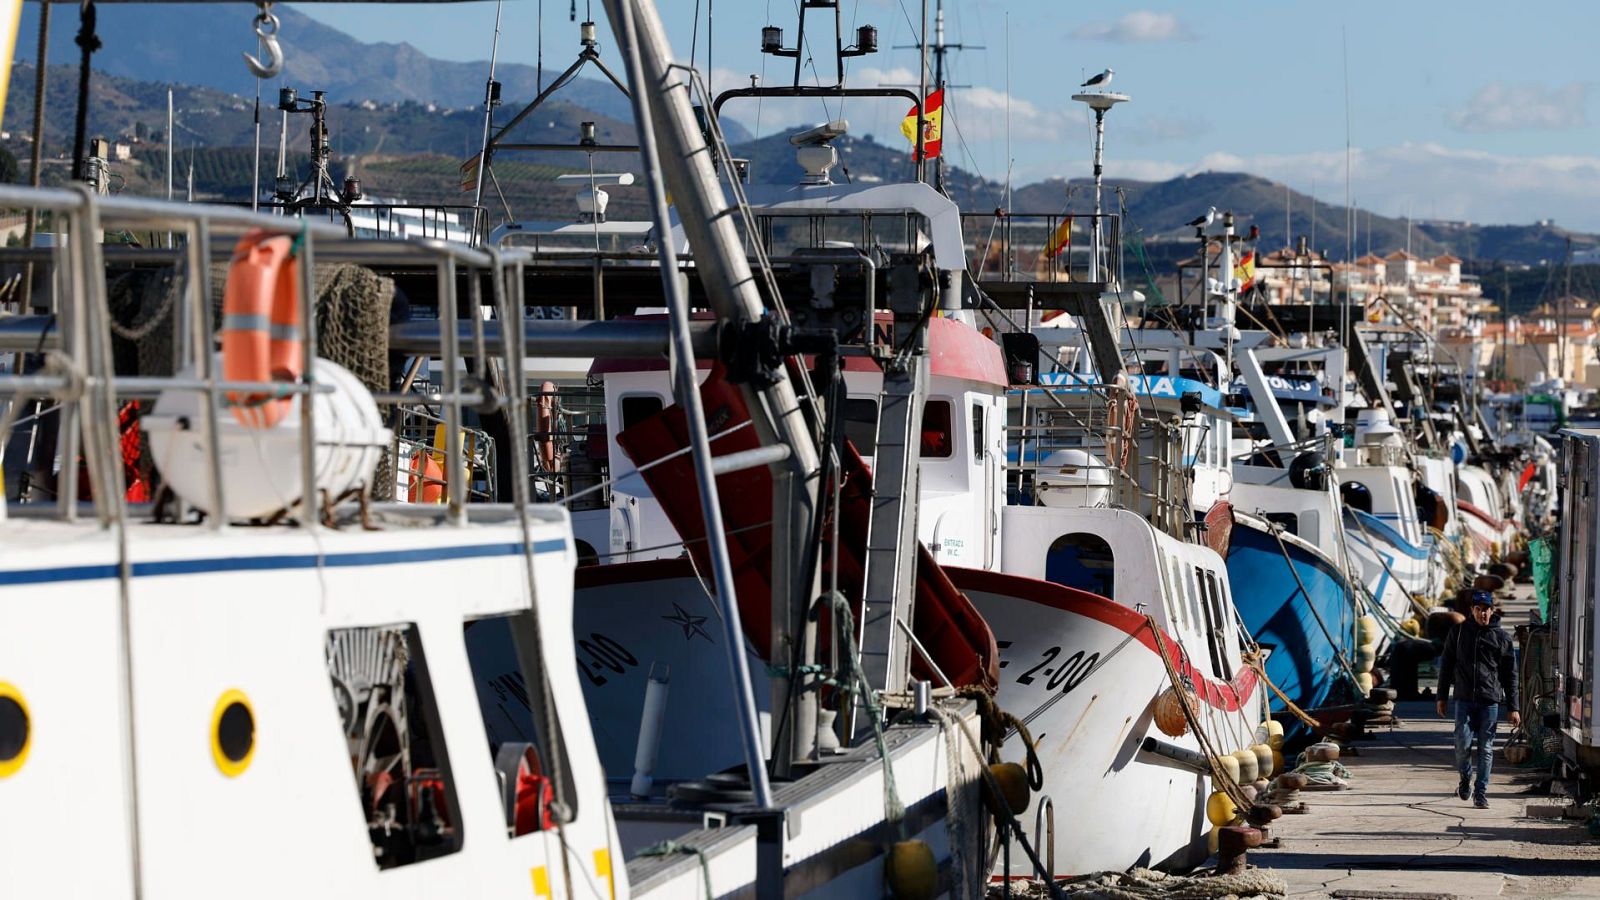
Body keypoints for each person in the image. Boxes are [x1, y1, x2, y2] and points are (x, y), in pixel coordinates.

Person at [1435, 590, 1521, 808]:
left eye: (1486, 610)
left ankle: (1481, 793)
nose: (1483, 614)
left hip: (1489, 701)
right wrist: (1441, 697)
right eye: (1478, 609)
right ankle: (1465, 778)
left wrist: (1513, 707)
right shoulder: (1459, 632)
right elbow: (1446, 666)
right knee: (1462, 745)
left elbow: (1510, 675)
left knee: (1486, 749)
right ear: (1472, 610)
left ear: (1492, 611)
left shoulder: (1501, 638)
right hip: (1463, 700)